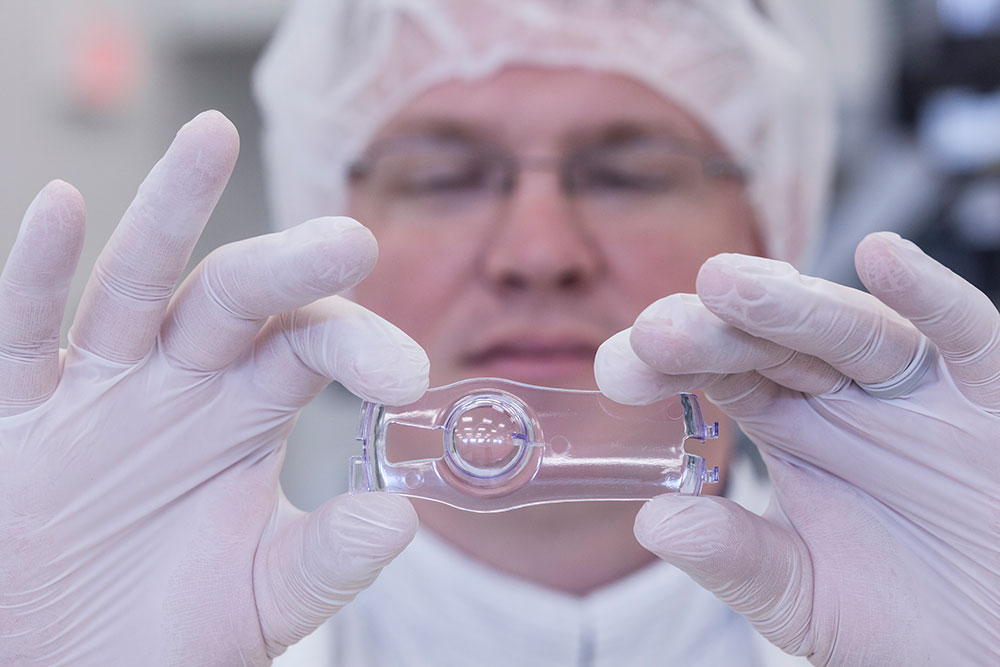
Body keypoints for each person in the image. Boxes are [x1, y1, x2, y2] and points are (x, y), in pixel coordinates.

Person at [0, 1, 997, 666]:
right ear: (328, 229)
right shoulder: (158, 629)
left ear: (768, 224)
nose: (536, 250)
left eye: (629, 171)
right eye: (441, 176)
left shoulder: (943, 608)